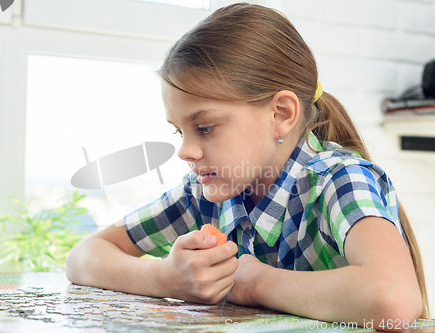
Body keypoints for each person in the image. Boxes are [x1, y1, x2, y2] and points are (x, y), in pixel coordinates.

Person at [66, 3, 429, 330]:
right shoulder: (204, 192)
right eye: (180, 131)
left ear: (281, 114)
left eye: (205, 127)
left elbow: (393, 297)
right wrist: (165, 278)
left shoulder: (339, 179)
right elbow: (83, 257)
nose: (185, 151)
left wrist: (253, 282)